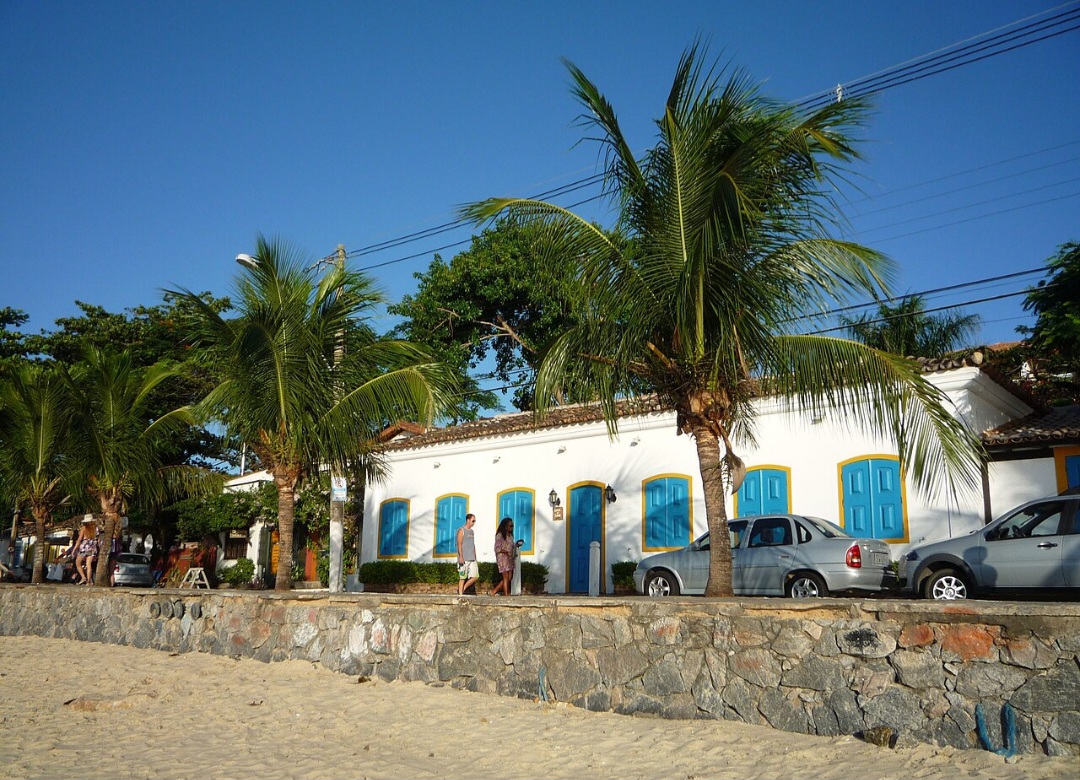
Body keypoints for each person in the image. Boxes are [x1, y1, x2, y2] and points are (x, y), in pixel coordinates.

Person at [490, 517, 516, 596]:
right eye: (510, 526)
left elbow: (511, 545)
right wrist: (506, 551)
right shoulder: (500, 535)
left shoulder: (510, 536)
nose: (511, 527)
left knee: (509, 577)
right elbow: (497, 548)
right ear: (505, 526)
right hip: (502, 558)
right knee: (505, 577)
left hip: (509, 558)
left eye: (512, 526)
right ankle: (506, 594)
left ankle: (494, 591)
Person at [456, 514, 478, 595]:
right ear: (468, 520)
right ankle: (460, 594)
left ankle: (463, 588)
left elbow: (473, 544)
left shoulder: (472, 532)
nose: (474, 522)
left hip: (472, 557)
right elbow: (459, 544)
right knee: (462, 577)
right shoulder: (461, 530)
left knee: (475, 576)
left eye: (474, 521)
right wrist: (461, 557)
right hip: (464, 558)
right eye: (473, 521)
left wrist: (475, 554)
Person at [73, 515, 99, 585]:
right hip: (92, 547)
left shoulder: (84, 528)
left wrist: (74, 549)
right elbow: (97, 539)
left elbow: (79, 539)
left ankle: (83, 577)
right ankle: (89, 581)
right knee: (88, 564)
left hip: (84, 548)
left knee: (78, 563)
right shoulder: (95, 529)